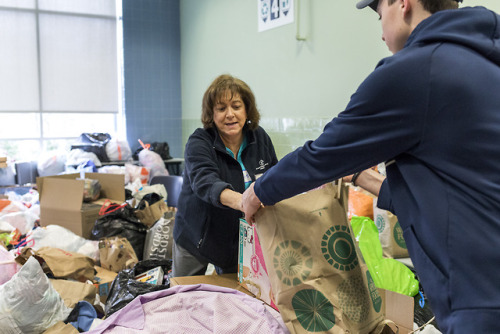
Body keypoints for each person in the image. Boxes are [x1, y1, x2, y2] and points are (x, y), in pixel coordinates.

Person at [242, 0, 500, 333]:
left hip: (480, 299)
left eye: (380, 16)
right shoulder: (485, 64)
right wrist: (369, 180)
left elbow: (322, 155)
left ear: (403, 4)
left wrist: (258, 191)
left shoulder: (416, 71)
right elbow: (450, 191)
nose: (380, 33)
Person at [173, 74, 278, 277]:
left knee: (233, 298)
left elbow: (273, 176)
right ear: (211, 114)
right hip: (196, 238)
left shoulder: (259, 138)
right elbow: (205, 182)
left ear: (247, 109)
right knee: (182, 299)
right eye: (221, 108)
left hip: (237, 241)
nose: (230, 114)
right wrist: (244, 201)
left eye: (236, 106)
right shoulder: (200, 141)